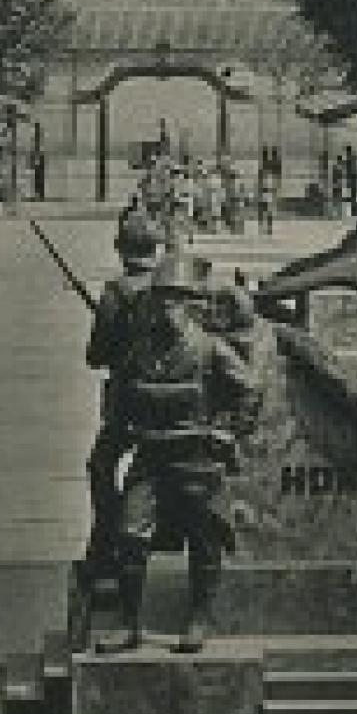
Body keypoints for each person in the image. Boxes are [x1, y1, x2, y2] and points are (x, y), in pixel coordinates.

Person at [105, 251, 260, 653]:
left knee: (202, 539)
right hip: (150, 459)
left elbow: (249, 390)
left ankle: (199, 616)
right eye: (161, 298)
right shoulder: (140, 350)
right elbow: (119, 395)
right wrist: (118, 432)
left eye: (177, 298)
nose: (168, 306)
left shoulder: (210, 350)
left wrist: (228, 431)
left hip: (196, 459)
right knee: (129, 535)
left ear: (193, 304)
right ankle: (128, 622)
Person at [81, 210, 165, 594]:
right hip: (168, 401)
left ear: (121, 249)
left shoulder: (116, 293)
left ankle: (106, 543)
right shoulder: (170, 287)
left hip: (128, 400)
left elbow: (96, 356)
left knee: (101, 466)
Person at [255, 164, 278, 236]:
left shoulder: (269, 179)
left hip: (267, 196)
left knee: (267, 213)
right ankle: (263, 228)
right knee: (262, 212)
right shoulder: (262, 180)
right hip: (264, 196)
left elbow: (274, 189)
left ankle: (267, 228)